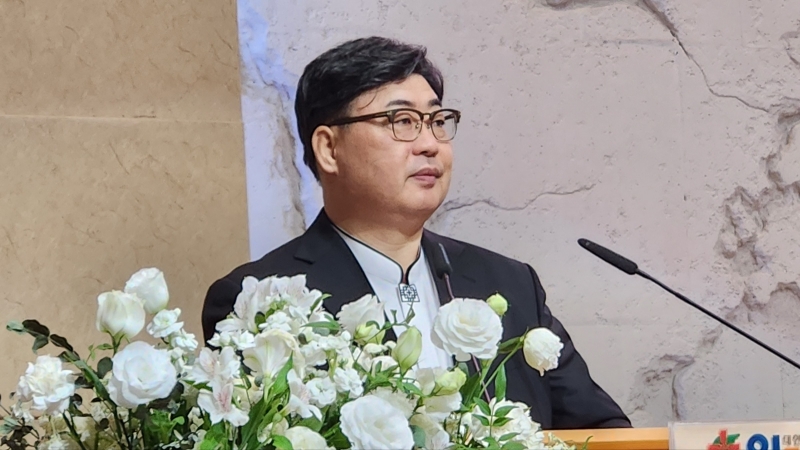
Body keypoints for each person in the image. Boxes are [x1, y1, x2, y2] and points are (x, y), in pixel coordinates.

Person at [202, 36, 631, 429]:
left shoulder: (509, 284)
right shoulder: (258, 300)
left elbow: (604, 431)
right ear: (329, 149)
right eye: (402, 121)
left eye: (437, 120)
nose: (430, 144)